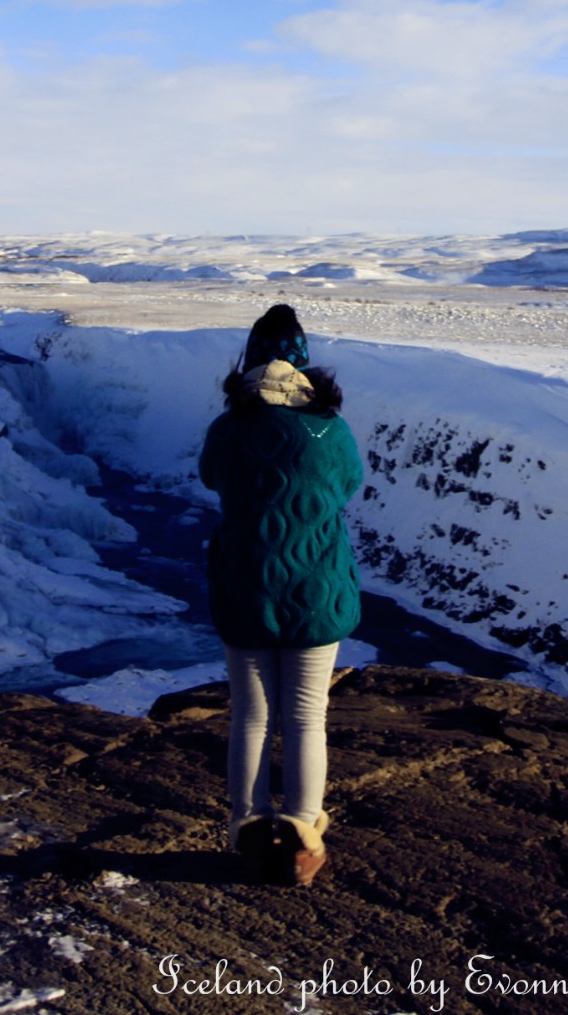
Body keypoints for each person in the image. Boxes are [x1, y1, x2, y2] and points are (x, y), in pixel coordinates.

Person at [197, 304, 363, 886]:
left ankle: (247, 826)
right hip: (318, 592)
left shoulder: (229, 428)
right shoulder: (329, 429)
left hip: (245, 590)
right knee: (305, 717)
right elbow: (348, 484)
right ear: (303, 364)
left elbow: (210, 477)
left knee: (250, 717)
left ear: (248, 360)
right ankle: (301, 834)